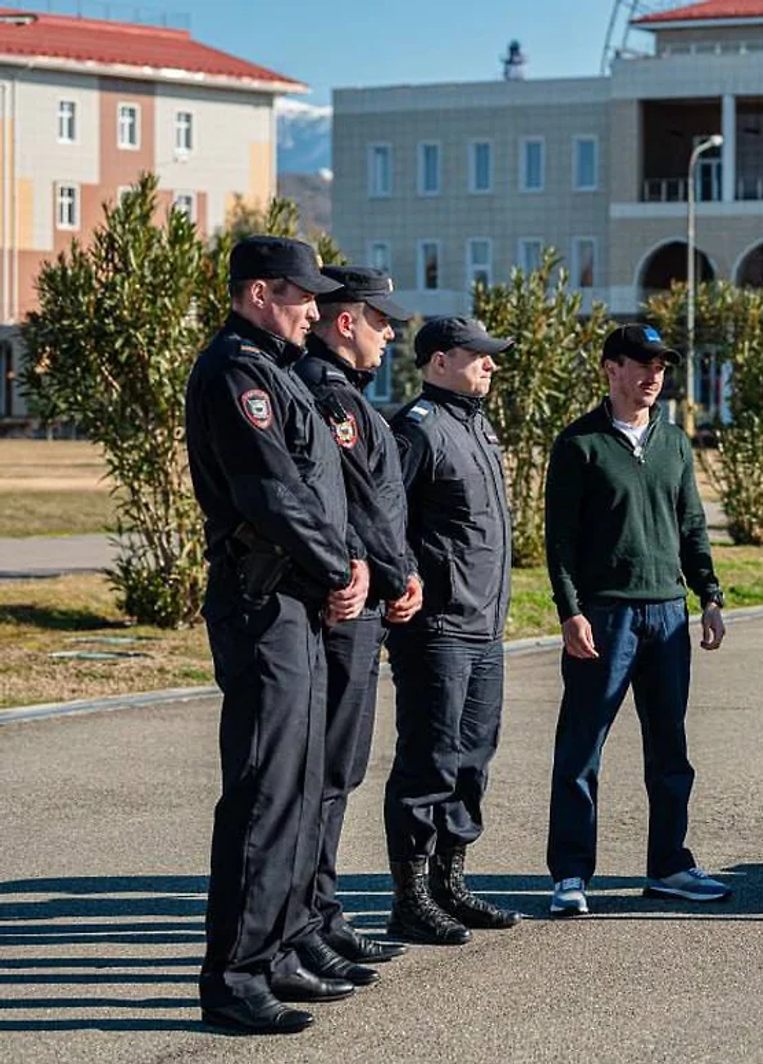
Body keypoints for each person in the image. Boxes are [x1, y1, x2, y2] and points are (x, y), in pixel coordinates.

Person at [186, 236, 367, 1034]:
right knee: (263, 793)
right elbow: (270, 495)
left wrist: (348, 562)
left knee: (295, 788)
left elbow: (319, 492)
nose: (314, 310)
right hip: (263, 604)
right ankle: (233, 976)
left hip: (296, 602)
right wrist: (338, 568)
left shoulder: (278, 372)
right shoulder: (237, 372)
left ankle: (281, 946)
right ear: (260, 293)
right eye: (301, 297)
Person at [543, 323, 729, 917]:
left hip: (667, 614)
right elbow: (561, 541)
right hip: (604, 616)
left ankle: (670, 866)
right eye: (641, 365)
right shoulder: (579, 444)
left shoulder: (674, 443)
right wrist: (570, 612)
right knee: (582, 748)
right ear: (611, 369)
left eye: (661, 367)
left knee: (670, 749)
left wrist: (710, 596)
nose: (653, 377)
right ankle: (570, 874)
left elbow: (692, 527)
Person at [292, 265, 422, 971]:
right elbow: (359, 499)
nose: (391, 333)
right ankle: (308, 919)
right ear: (346, 322)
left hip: (368, 598)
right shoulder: (325, 393)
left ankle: (322, 910)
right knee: (328, 769)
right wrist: (399, 571)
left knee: (340, 767)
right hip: (345, 604)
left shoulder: (346, 393)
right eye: (381, 321)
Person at [384, 317, 520, 944]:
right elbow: (384, 518)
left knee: (472, 763)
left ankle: (450, 882)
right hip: (437, 627)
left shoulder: (476, 424)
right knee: (429, 762)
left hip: (484, 625)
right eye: (479, 356)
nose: (490, 365)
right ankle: (410, 898)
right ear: (439, 361)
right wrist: (406, 577)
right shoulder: (417, 429)